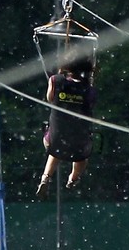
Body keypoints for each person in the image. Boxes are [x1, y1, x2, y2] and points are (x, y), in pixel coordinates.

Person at [37, 54, 96, 199]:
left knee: (56, 150)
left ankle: (45, 177)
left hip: (54, 140)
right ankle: (73, 178)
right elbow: (91, 104)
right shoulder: (89, 90)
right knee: (82, 158)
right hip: (79, 143)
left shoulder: (55, 81)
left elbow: (50, 99)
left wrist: (61, 81)